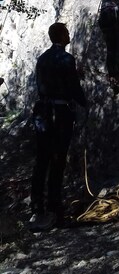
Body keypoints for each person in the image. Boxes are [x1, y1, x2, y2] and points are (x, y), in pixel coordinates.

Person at [29, 22, 87, 232]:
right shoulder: (66, 59)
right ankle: (55, 209)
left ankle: (37, 207)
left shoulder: (42, 59)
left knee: (42, 160)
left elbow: (44, 85)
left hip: (42, 114)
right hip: (60, 114)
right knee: (58, 160)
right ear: (62, 36)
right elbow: (73, 88)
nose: (70, 34)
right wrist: (85, 103)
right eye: (67, 32)